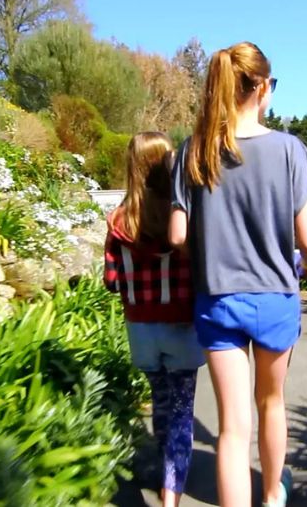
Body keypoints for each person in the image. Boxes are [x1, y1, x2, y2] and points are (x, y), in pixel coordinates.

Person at [169, 42, 307, 507]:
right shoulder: (290, 150)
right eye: (270, 84)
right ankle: (274, 493)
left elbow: (177, 236)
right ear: (259, 88)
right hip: (275, 296)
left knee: (233, 427)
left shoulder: (193, 151)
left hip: (218, 299)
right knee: (271, 404)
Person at [104, 132, 205, 507]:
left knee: (161, 399)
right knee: (181, 410)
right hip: (181, 325)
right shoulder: (183, 219)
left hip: (141, 330)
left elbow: (112, 282)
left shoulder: (117, 220)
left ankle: (166, 463)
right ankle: (171, 491)